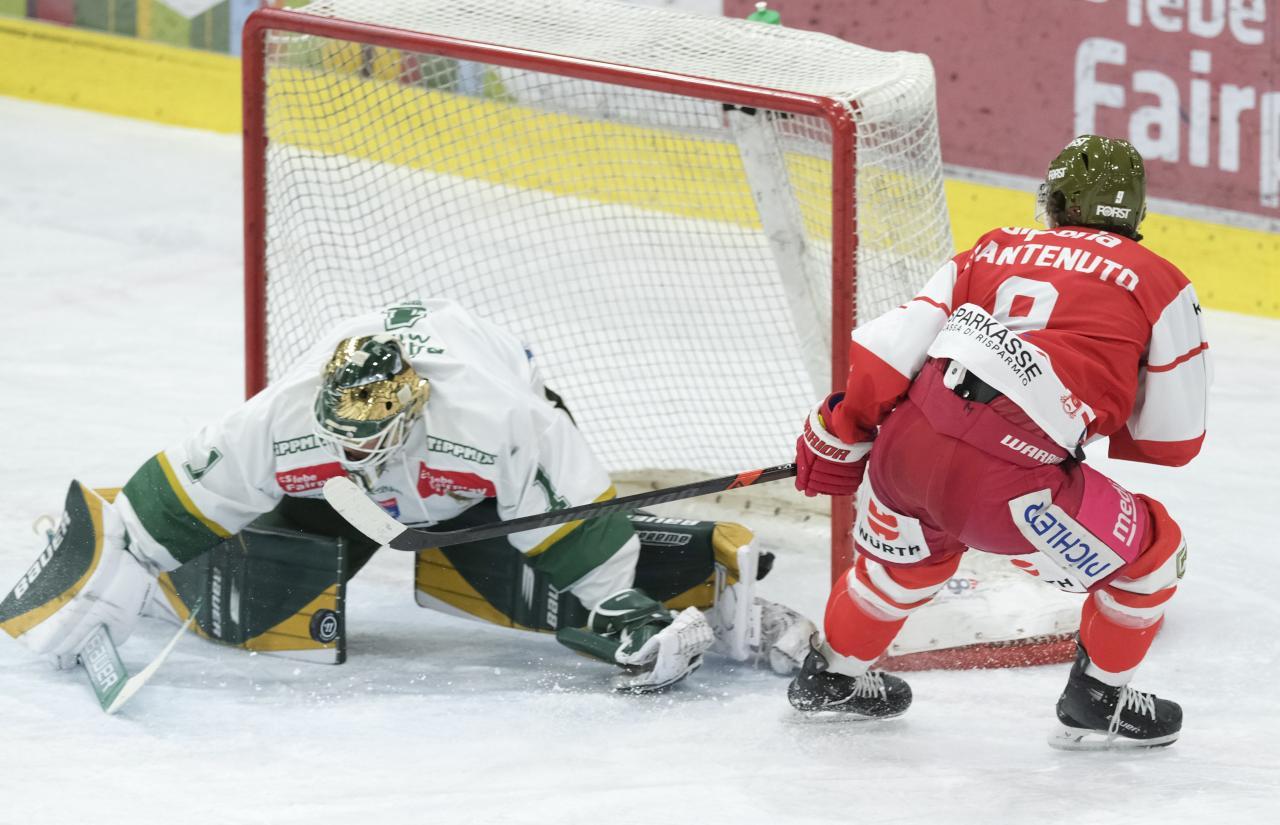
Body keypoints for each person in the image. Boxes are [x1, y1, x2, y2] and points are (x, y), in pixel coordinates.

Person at [1, 299, 812, 693]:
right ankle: (182, 583)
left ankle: (689, 596)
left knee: (539, 577)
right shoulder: (287, 416)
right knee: (270, 609)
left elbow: (560, 490)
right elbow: (193, 479)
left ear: (412, 403)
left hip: (477, 473)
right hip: (359, 495)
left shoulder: (499, 419)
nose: (350, 449)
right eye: (337, 436)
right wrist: (125, 548)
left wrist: (613, 601)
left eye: (368, 438)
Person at [788, 135, 1209, 749]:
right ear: (1136, 214)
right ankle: (1100, 699)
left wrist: (843, 432)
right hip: (1011, 484)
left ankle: (831, 678)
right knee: (1153, 559)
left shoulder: (994, 247)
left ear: (1056, 200)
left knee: (896, 573)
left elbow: (889, 351)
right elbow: (1172, 443)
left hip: (907, 447)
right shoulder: (1161, 283)